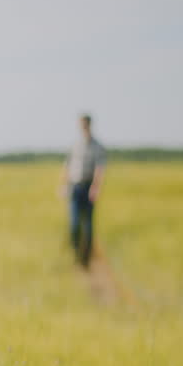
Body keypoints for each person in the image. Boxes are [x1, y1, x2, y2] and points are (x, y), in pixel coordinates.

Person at [61, 114, 107, 268]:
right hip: (75, 187)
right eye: (81, 125)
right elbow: (67, 166)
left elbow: (99, 169)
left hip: (88, 188)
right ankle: (76, 254)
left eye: (84, 125)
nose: (83, 128)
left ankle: (85, 260)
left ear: (89, 125)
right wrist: (64, 185)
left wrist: (95, 187)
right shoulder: (75, 145)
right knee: (74, 224)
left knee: (88, 226)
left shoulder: (97, 147)